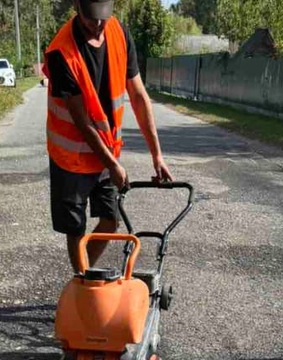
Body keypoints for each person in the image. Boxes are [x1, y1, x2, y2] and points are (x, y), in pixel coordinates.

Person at [43, 0, 173, 273]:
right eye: (92, 18)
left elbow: (138, 97)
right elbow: (82, 122)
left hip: (106, 153)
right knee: (75, 228)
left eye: (104, 16)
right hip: (71, 157)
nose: (99, 24)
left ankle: (83, 279)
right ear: (77, 7)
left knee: (110, 220)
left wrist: (156, 155)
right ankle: (83, 287)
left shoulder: (120, 33)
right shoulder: (60, 52)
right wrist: (113, 165)